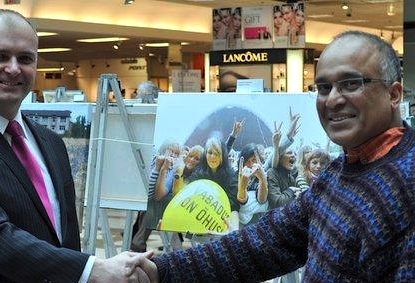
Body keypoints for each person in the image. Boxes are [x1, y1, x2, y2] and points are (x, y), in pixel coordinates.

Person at [136, 30, 415, 282]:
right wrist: (161, 271)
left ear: (393, 94)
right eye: (323, 88)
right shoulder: (340, 172)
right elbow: (266, 243)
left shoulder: (407, 183)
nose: (332, 99)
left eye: (351, 84)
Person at [0, 9, 153, 283]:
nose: (13, 69)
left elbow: (64, 238)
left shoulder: (51, 143)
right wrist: (93, 270)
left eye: (25, 58)